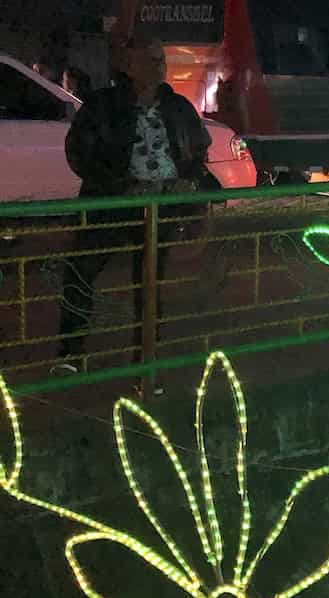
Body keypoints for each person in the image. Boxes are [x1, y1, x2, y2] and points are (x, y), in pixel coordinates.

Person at [55, 34, 215, 369]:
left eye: (161, 60)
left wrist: (190, 182)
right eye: (151, 60)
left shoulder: (178, 107)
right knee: (81, 270)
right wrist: (121, 186)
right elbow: (79, 153)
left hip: (160, 208)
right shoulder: (102, 106)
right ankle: (72, 352)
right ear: (130, 66)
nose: (160, 67)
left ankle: (146, 359)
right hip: (111, 204)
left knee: (149, 283)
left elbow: (198, 151)